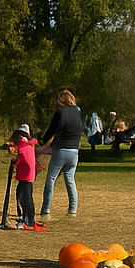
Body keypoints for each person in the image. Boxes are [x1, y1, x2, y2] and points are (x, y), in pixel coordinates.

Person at [39, 89, 84, 218]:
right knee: (70, 179)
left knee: (51, 179)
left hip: (61, 151)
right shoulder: (78, 111)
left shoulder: (60, 112)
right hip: (74, 151)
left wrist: (44, 141)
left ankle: (46, 209)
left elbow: (52, 129)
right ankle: (72, 209)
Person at [7, 124, 43, 230]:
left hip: (26, 176)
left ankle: (29, 220)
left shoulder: (24, 147)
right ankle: (25, 217)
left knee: (25, 198)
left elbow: (22, 160)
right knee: (22, 196)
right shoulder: (28, 146)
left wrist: (15, 160)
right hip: (25, 176)